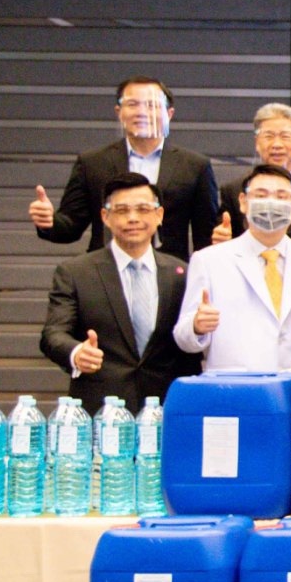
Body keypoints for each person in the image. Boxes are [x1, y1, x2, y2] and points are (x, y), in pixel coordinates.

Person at [38, 172, 200, 413]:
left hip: (168, 407)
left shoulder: (183, 273)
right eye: (122, 210)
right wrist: (77, 352)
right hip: (101, 410)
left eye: (143, 209)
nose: (133, 218)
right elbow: (53, 333)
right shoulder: (75, 272)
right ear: (105, 216)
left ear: (159, 215)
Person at [28, 75, 221, 259]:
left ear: (169, 114)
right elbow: (70, 227)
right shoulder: (92, 162)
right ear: (119, 112)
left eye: (151, 105)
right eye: (132, 104)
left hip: (169, 274)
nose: (141, 112)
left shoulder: (195, 166)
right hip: (105, 271)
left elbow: (206, 237)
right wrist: (48, 221)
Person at [173, 163, 291, 372]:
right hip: (235, 384)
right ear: (243, 202)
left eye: (281, 196)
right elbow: (183, 337)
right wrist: (197, 326)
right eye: (261, 195)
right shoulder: (209, 260)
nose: (271, 203)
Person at [212, 103, 291, 252]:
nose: (277, 144)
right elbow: (224, 240)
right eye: (269, 136)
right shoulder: (234, 190)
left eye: (285, 136)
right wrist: (222, 240)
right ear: (257, 141)